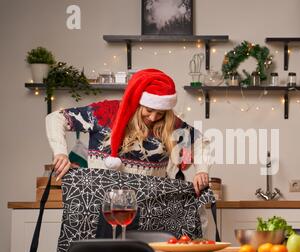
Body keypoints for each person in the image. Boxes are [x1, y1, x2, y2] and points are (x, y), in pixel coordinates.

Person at [46, 68, 212, 233]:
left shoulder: (170, 124)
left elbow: (200, 141)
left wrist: (202, 171)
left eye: (160, 113)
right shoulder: (105, 113)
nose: (153, 118)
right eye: (148, 110)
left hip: (150, 210)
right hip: (102, 208)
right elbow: (56, 118)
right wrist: (60, 152)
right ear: (137, 102)